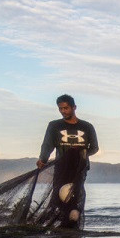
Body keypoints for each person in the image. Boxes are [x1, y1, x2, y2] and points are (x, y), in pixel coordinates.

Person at [36, 94, 99, 228]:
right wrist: (43, 159)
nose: (63, 111)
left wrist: (81, 151)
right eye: (60, 109)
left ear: (74, 107)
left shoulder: (87, 127)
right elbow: (47, 145)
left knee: (75, 196)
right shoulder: (54, 126)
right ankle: (62, 224)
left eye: (66, 108)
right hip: (61, 167)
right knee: (59, 197)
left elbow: (94, 148)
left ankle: (72, 224)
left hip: (79, 169)